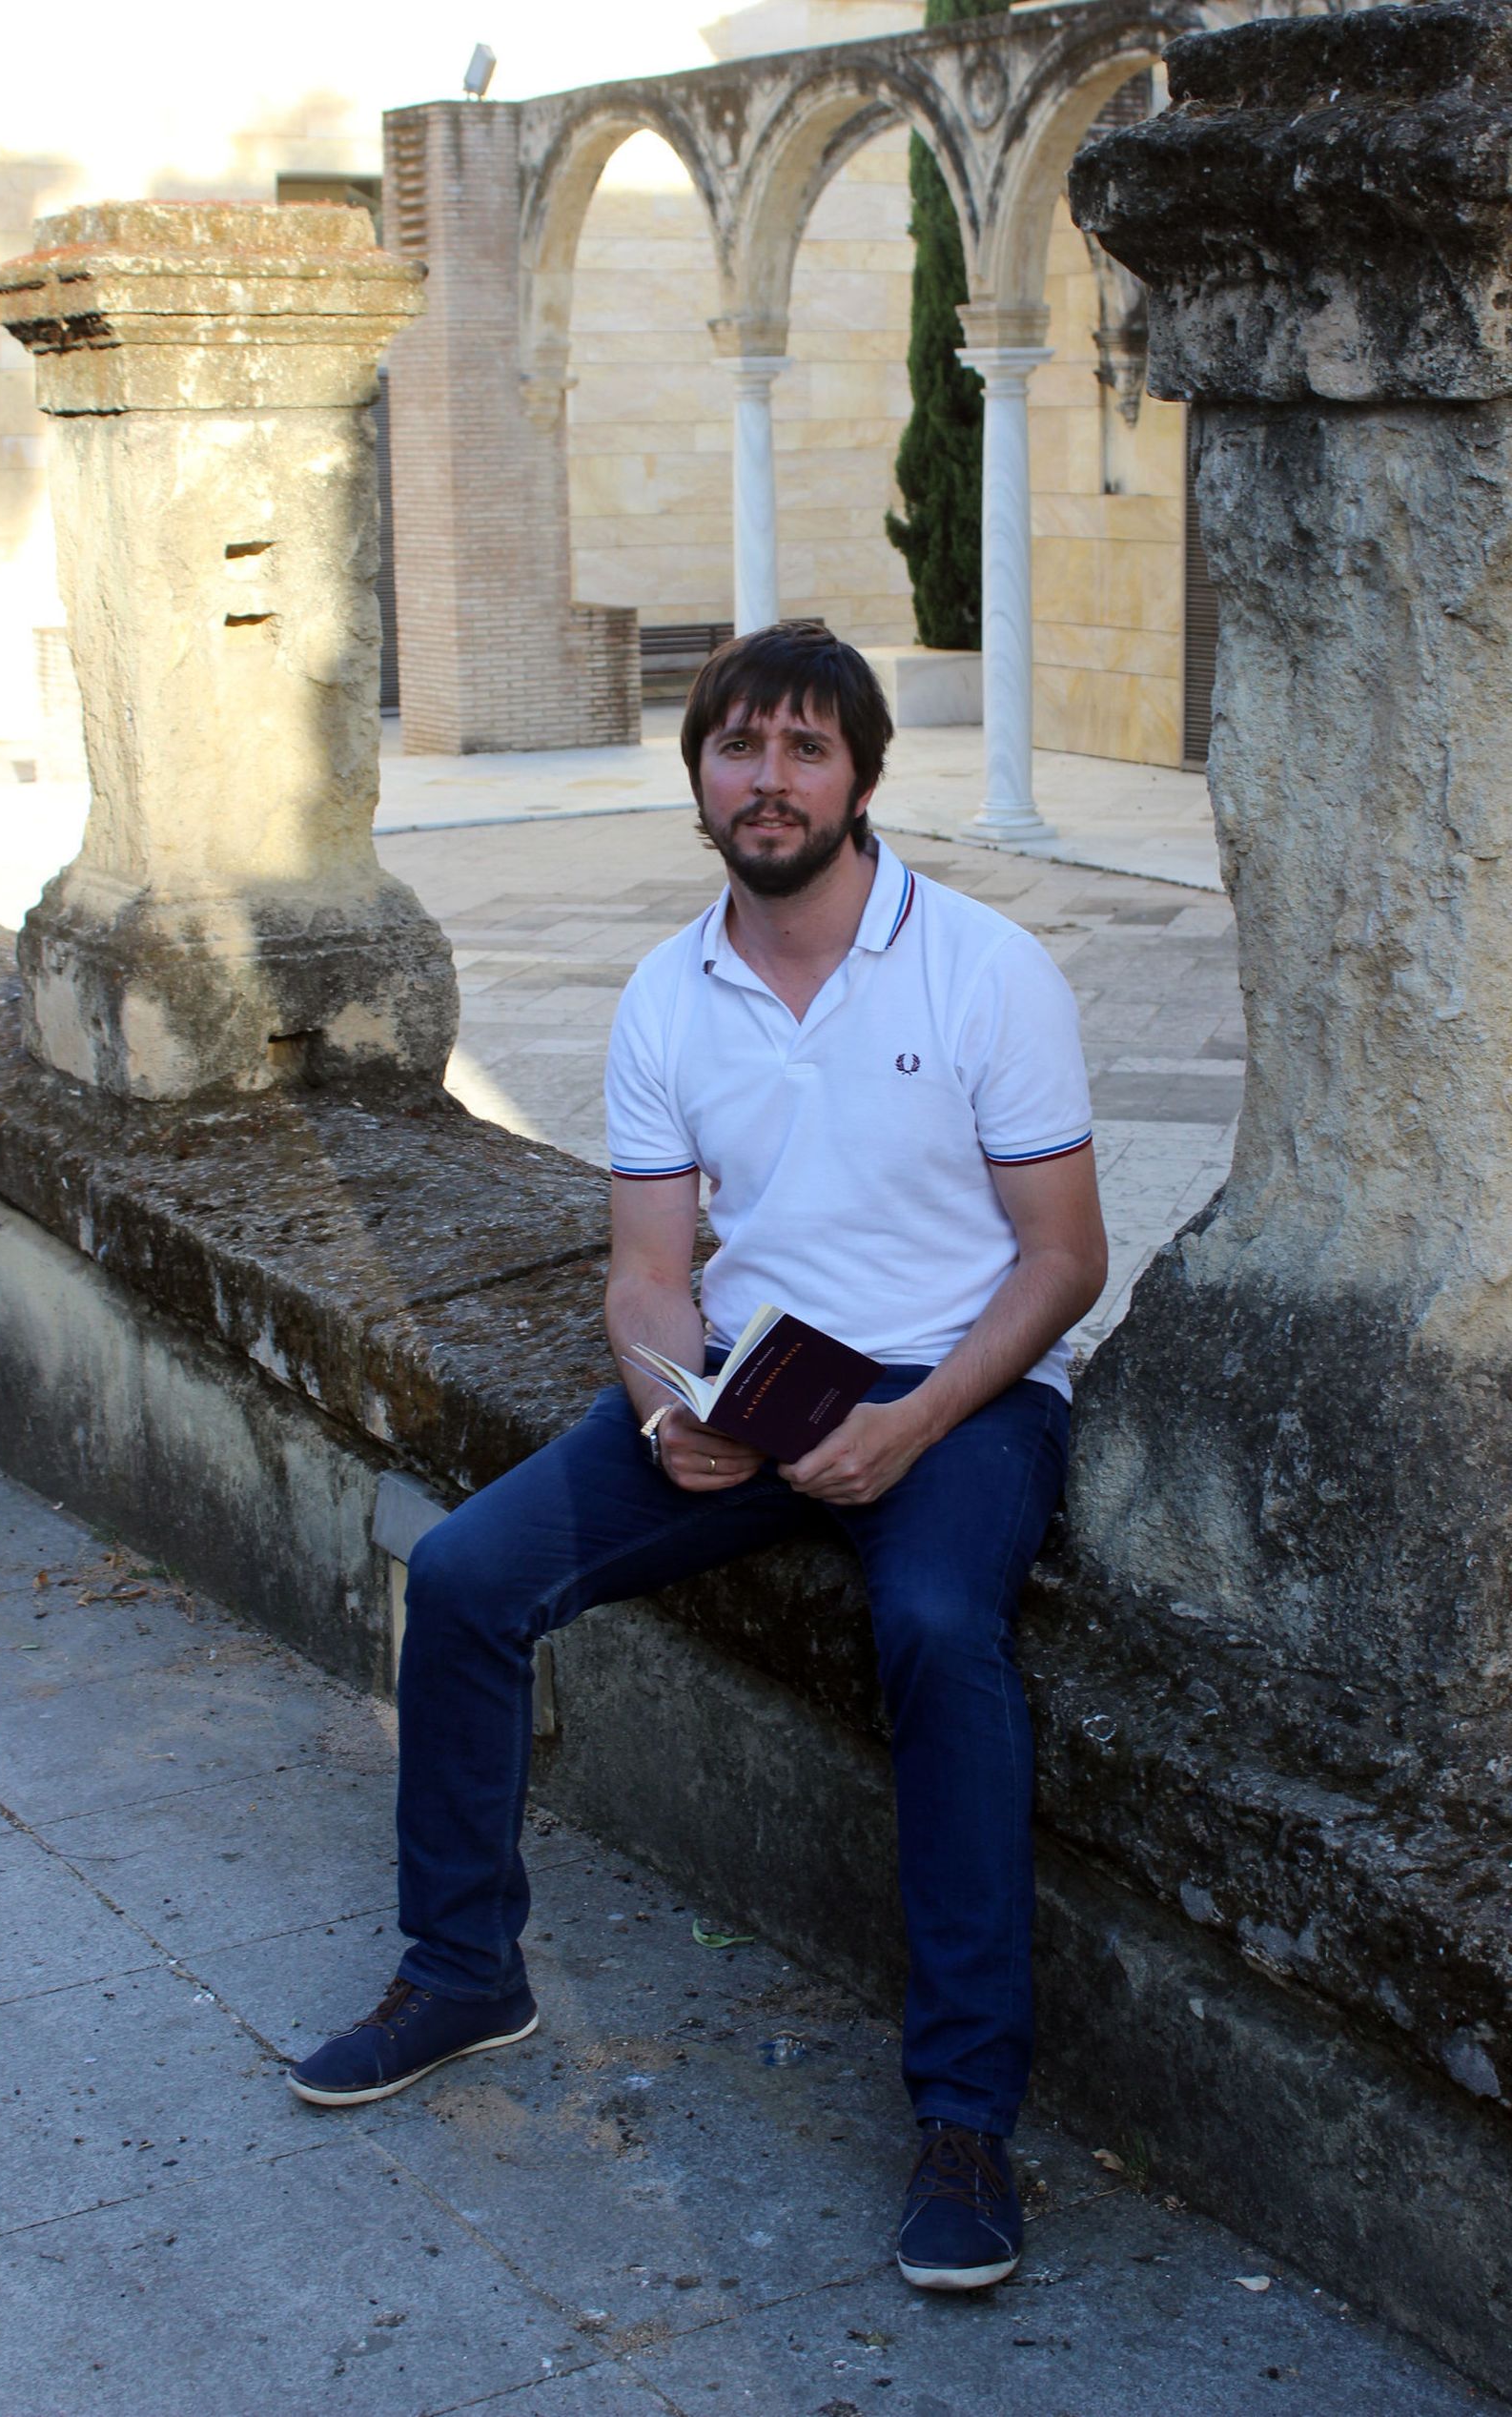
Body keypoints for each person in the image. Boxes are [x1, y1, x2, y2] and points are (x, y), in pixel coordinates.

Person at [288, 620, 1107, 2293]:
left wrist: (920, 1418)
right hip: (750, 1377)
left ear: (862, 775)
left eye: (808, 748)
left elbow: (1061, 1260)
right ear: (702, 782)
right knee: (460, 1577)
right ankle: (461, 1973)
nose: (771, 779)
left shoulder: (986, 969)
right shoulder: (673, 991)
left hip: (963, 1385)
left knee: (942, 1636)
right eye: (741, 749)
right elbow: (651, 1271)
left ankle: (964, 2119)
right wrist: (672, 1407)